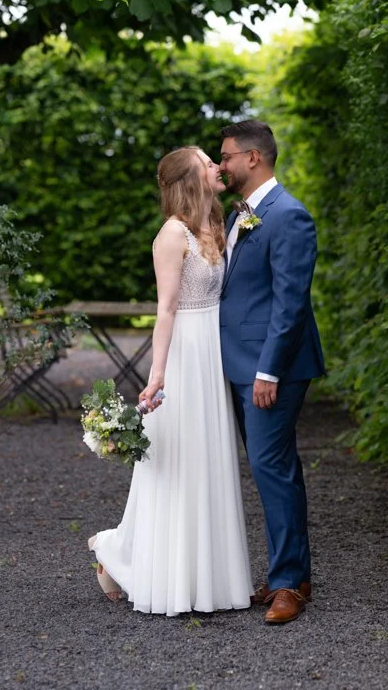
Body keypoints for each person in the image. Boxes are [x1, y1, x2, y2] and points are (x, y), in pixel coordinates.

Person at [87, 146, 253, 616]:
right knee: (177, 463)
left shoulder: (218, 225)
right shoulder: (171, 235)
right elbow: (166, 309)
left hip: (213, 355)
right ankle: (126, 555)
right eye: (207, 163)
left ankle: (210, 579)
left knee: (209, 460)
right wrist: (157, 373)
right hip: (183, 356)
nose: (217, 168)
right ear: (189, 178)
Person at [219, 119, 325, 625]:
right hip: (241, 363)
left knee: (271, 469)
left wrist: (268, 372)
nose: (222, 166)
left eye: (227, 157)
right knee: (274, 469)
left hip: (269, 368)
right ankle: (293, 573)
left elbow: (290, 304)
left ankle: (289, 584)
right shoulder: (241, 214)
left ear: (253, 158)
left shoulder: (289, 216)